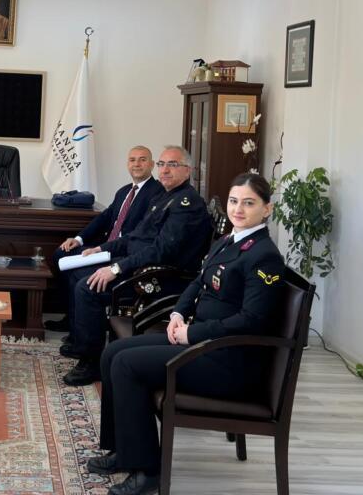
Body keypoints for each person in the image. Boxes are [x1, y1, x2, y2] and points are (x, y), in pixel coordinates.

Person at [87, 173, 287, 495]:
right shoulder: (229, 240)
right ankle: (123, 451)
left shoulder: (264, 256)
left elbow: (252, 321)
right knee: (113, 353)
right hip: (204, 344)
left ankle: (147, 471)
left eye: (249, 203)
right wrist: (178, 314)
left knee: (127, 365)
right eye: (234, 201)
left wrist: (191, 333)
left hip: (227, 359)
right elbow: (197, 282)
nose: (238, 209)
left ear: (267, 209)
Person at [62, 145, 211, 386]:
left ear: (188, 170)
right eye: (162, 164)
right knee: (81, 274)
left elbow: (161, 251)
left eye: (172, 165)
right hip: (140, 266)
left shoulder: (187, 204)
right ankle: (85, 347)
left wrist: (116, 269)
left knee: (88, 288)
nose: (165, 170)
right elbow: (135, 237)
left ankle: (91, 363)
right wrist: (102, 249)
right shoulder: (164, 196)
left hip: (162, 278)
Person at [49, 146, 163, 333]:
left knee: (77, 272)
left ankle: (77, 327)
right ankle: (70, 318)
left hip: (122, 254)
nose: (137, 164)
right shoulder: (124, 191)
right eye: (132, 160)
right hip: (104, 247)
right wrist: (78, 239)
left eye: (142, 160)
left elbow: (140, 235)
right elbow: (105, 217)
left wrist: (104, 249)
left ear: (151, 165)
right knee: (61, 254)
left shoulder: (157, 193)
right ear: (127, 164)